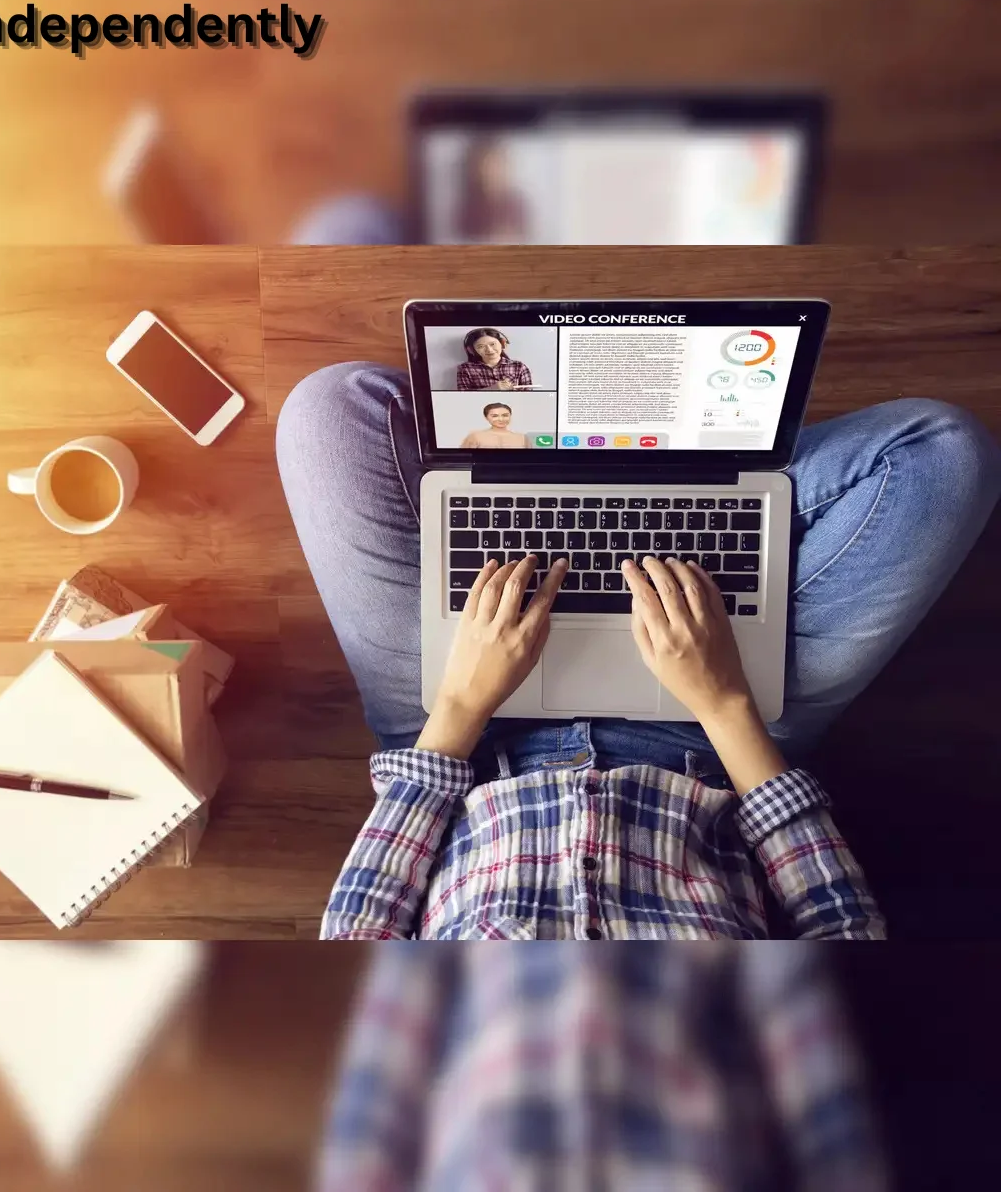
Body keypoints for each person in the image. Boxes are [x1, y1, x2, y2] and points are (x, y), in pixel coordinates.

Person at [275, 362, 1000, 940]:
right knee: (942, 457)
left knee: (329, 411)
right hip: (712, 741)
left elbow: (361, 925)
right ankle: (683, 476)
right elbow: (844, 926)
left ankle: (611, 479)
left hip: (467, 740)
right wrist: (723, 701)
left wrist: (463, 699)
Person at [317, 945, 888, 1191]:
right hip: (698, 765)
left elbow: (376, 1085)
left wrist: (458, 718)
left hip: (489, 765)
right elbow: (803, 1021)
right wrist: (728, 716)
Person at [456, 328, 534, 390]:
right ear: (471, 350)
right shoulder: (465, 369)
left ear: (503, 344)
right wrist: (492, 388)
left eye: (492, 344)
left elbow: (529, 396)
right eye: (481, 346)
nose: (489, 350)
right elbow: (463, 396)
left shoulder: (519, 367)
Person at [459, 402, 531, 449]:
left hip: (515, 471)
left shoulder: (522, 437)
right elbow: (463, 458)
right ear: (486, 417)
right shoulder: (475, 436)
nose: (501, 419)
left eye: (505, 415)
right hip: (484, 471)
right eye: (494, 416)